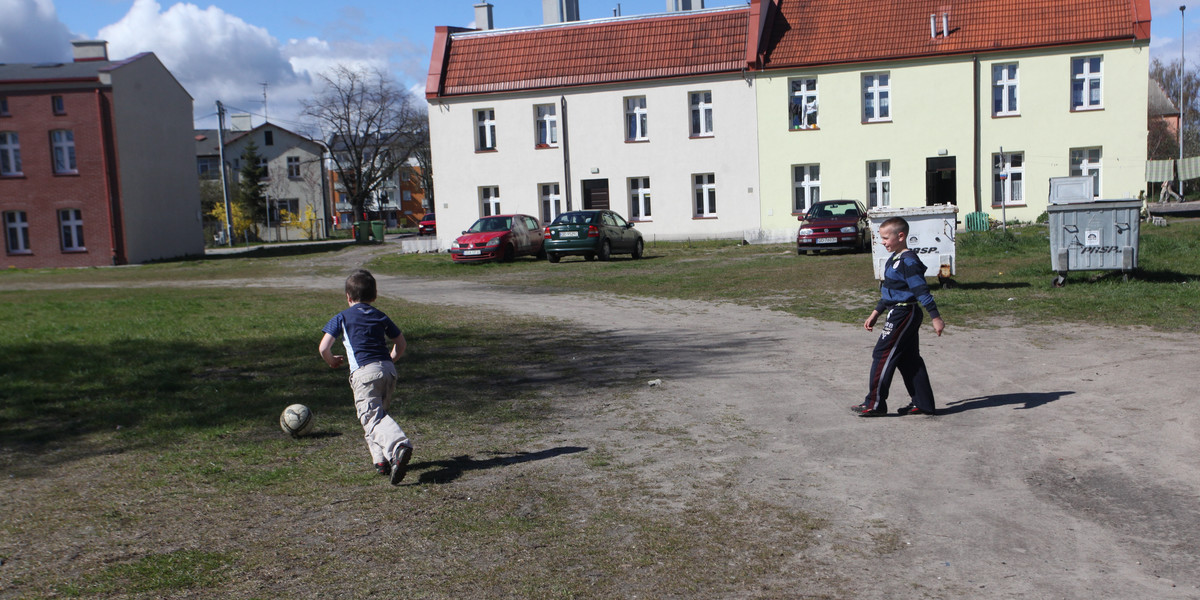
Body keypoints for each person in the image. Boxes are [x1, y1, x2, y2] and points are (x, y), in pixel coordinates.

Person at [319, 269, 413, 484]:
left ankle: (399, 445)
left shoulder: (341, 317)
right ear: (374, 296)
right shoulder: (380, 315)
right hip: (388, 371)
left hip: (364, 373)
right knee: (377, 416)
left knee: (372, 417)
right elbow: (401, 343)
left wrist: (332, 360)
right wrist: (390, 361)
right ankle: (382, 461)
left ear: (348, 297)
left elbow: (323, 347)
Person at [853, 217, 945, 417]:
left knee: (882, 353)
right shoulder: (893, 259)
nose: (883, 242)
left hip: (905, 313)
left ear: (900, 236)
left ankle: (875, 404)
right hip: (898, 311)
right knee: (908, 359)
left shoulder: (908, 261)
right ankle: (923, 403)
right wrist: (876, 313)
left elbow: (921, 290)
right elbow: (890, 291)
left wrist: (935, 317)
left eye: (886, 238)